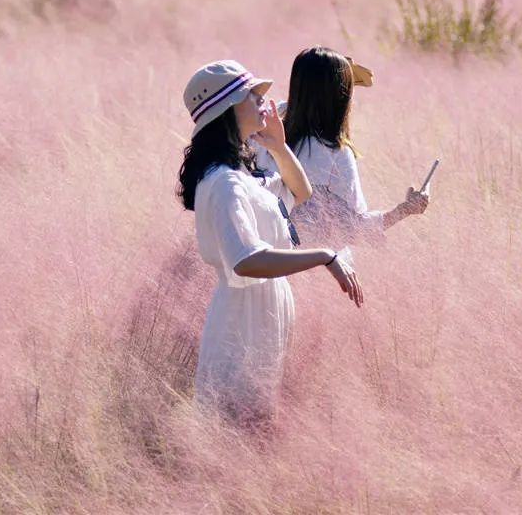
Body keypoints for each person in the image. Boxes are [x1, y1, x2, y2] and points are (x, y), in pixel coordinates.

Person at [177, 60, 363, 427]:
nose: (266, 103)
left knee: (253, 425)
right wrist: (324, 257)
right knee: (233, 424)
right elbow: (246, 260)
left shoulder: (245, 172)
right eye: (254, 97)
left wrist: (278, 147)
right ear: (227, 111)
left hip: (262, 314)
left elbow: (300, 191)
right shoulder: (225, 182)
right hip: (241, 319)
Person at [256, 46, 429, 254]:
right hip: (319, 268)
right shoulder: (335, 153)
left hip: (265, 262)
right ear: (341, 98)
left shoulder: (263, 138)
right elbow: (353, 227)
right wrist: (404, 210)